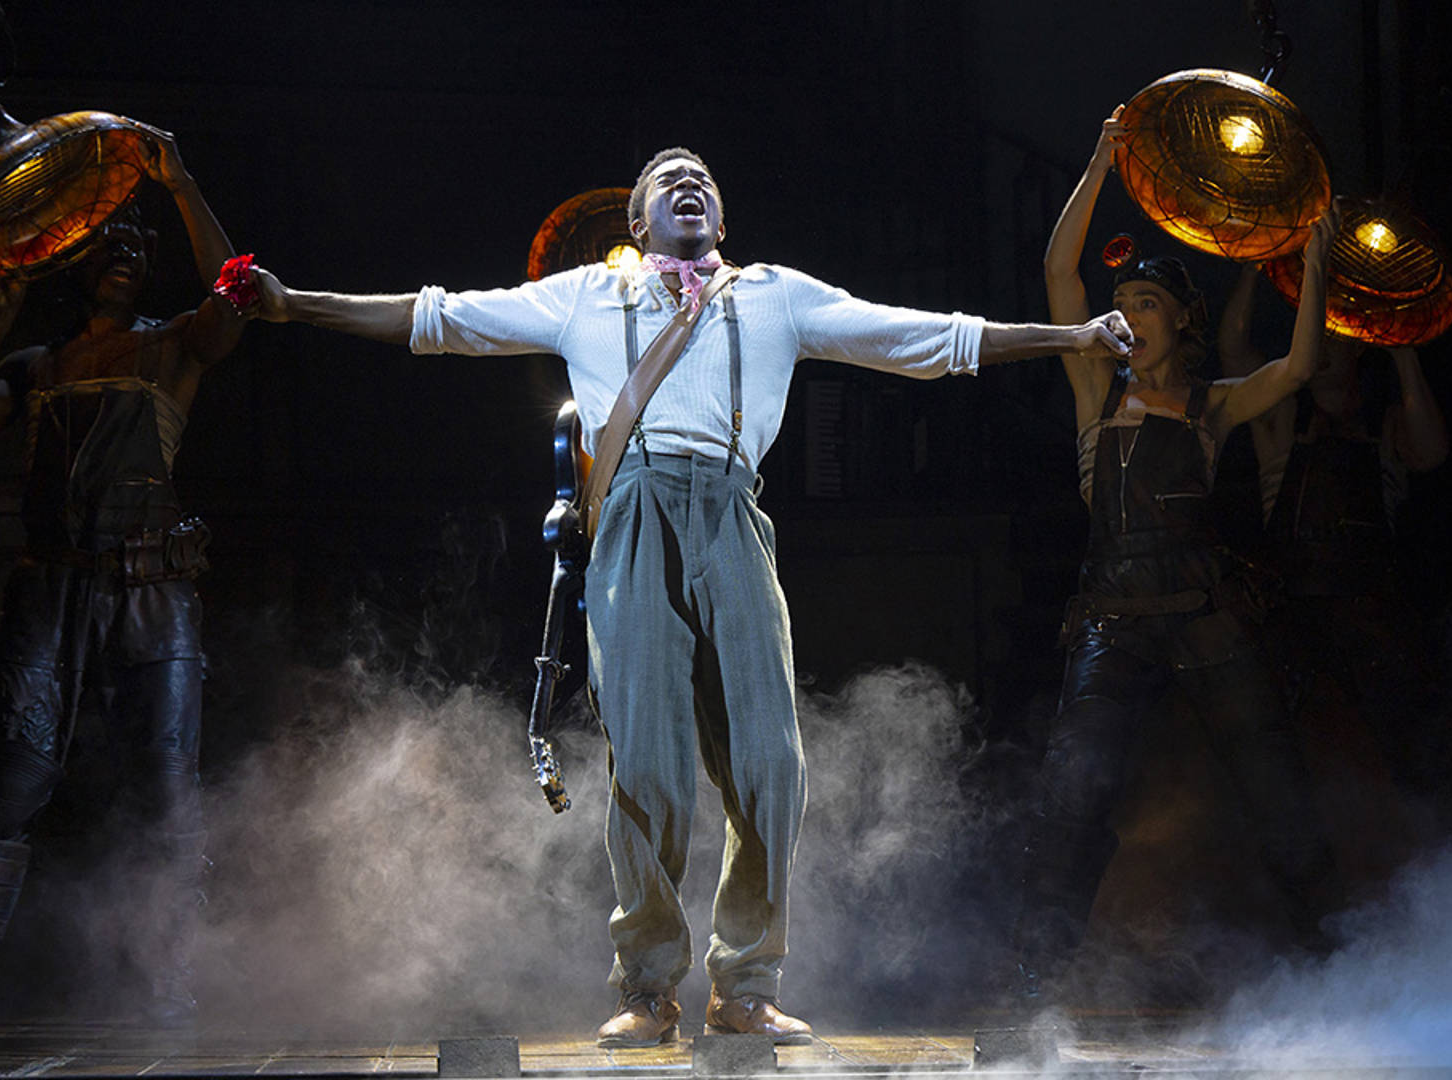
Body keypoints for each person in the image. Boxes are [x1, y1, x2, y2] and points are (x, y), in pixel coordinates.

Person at [250, 147, 1134, 1046]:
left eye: (703, 179)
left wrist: (1070, 339)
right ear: (636, 222)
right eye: (667, 180)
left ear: (721, 217)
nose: (689, 183)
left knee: (771, 764)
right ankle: (647, 988)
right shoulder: (588, 295)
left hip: (732, 513)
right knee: (649, 765)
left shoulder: (776, 295)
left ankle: (746, 986)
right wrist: (294, 305)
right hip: (633, 513)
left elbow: (925, 337)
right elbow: (440, 318)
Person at [0, 129, 256, 1034]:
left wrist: (180, 180)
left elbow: (234, 297)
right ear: (74, 259)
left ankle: (166, 983)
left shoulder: (170, 347)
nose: (123, 255)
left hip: (151, 594)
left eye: (137, 244)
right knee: (8, 779)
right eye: (106, 243)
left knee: (166, 791)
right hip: (52, 591)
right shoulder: (40, 364)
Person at [1013, 107, 1341, 1005]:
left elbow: (1299, 367)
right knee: (1072, 796)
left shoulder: (1212, 405)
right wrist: (1098, 162)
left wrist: (1314, 264)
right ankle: (1034, 987)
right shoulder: (1094, 386)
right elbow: (1057, 272)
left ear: (1181, 320)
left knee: (1275, 784)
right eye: (1121, 306)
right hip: (1113, 615)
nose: (1128, 316)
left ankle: (1338, 964)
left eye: (1146, 304)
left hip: (1205, 612)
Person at [1218, 271, 1452, 841]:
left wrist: (1401, 342)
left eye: (1340, 335)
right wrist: (1254, 262)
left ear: (1360, 345)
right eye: (1319, 334)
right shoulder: (1283, 414)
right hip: (1291, 612)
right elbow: (1233, 350)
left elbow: (1431, 452)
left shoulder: (1385, 423)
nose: (1326, 346)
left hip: (1372, 612)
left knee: (1417, 743)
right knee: (1277, 753)